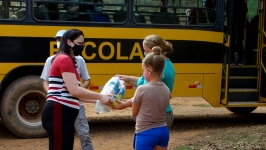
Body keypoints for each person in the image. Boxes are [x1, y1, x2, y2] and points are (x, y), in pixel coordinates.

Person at [41, 29, 111, 150]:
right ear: (69, 42)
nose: (82, 47)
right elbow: (74, 90)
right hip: (59, 112)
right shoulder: (64, 59)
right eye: (79, 43)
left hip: (63, 113)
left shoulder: (68, 60)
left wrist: (100, 101)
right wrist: (100, 96)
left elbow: (73, 95)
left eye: (83, 44)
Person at [112, 34, 175, 130]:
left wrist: (124, 104)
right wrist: (127, 78)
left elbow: (144, 93)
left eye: (146, 51)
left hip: (153, 116)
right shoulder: (165, 64)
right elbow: (145, 82)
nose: (145, 53)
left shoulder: (158, 68)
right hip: (163, 112)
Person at [132, 46, 171, 150]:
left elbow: (134, 112)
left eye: (143, 70)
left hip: (145, 132)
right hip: (163, 131)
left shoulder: (142, 89)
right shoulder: (166, 90)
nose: (143, 73)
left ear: (148, 70)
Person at [230, 0, 247, 66]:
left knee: (232, 40)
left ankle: (231, 60)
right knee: (238, 41)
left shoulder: (231, 2)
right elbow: (245, 10)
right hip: (238, 22)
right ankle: (240, 60)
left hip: (233, 22)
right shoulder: (241, 2)